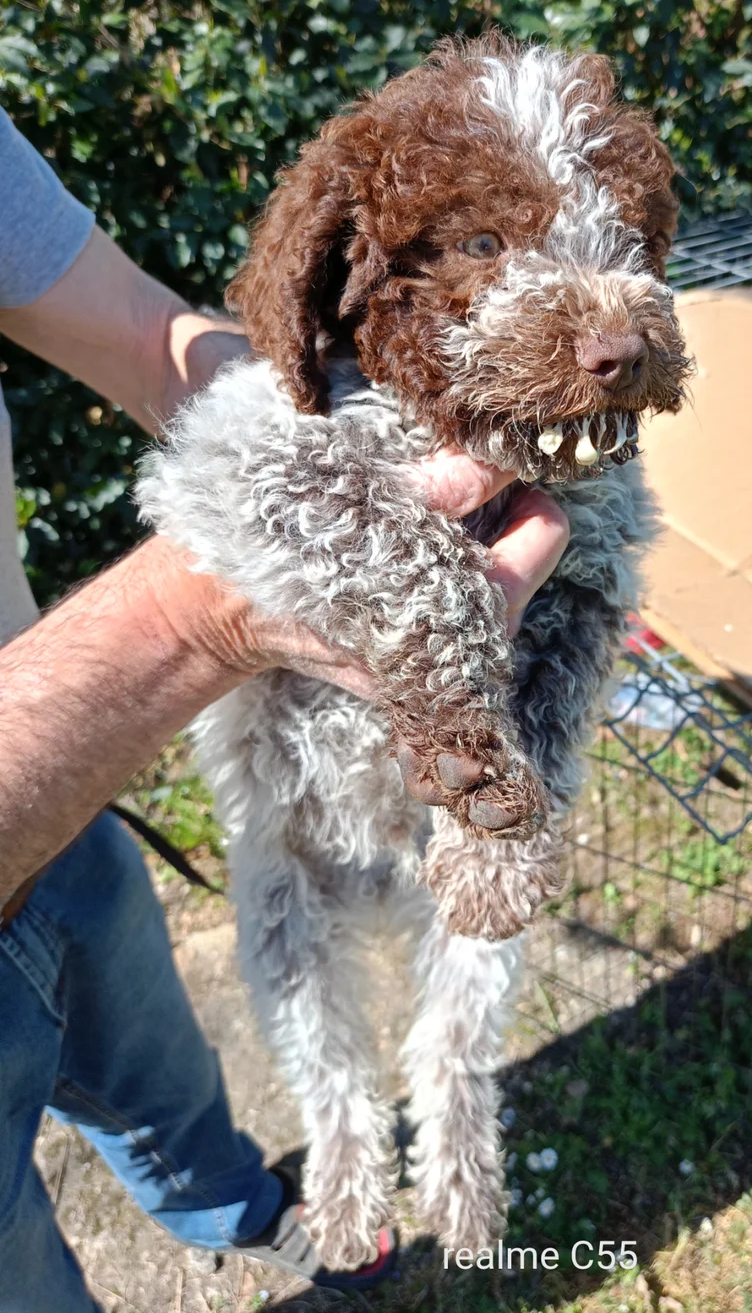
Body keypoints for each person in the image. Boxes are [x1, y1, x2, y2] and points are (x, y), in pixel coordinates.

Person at [0, 106, 570, 1309]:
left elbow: (157, 339)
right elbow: (214, 596)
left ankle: (261, 1212)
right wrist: (207, 608)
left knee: (167, 1079)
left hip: (68, 828)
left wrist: (338, 415)